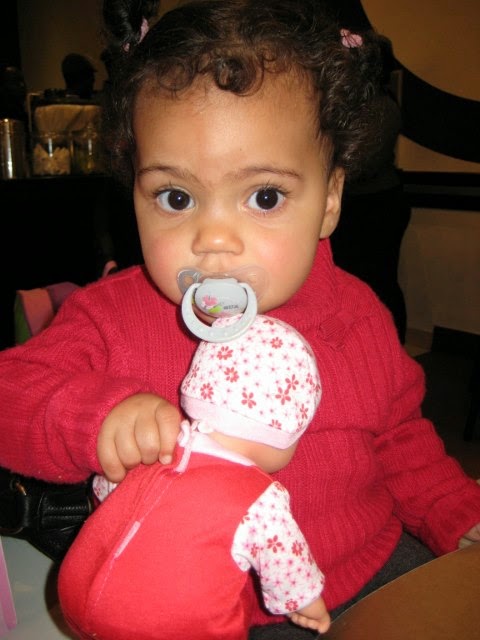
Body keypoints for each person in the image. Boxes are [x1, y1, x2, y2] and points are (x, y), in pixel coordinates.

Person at [0, 1, 479, 638]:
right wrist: (95, 417)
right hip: (193, 608)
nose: (214, 240)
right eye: (176, 197)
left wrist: (455, 512)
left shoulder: (357, 313)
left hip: (371, 569)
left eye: (264, 196)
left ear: (329, 200)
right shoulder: (110, 315)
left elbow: (401, 441)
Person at [58, 315, 330, 638]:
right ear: (284, 430)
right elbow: (286, 561)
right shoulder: (259, 497)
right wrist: (308, 604)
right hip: (173, 624)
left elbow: (105, 488)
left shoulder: (157, 442)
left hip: (80, 589)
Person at [330, 35, 411, 343]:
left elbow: (361, 164)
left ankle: (391, 346)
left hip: (377, 206)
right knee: (354, 282)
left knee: (379, 282)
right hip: (360, 204)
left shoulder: (380, 106)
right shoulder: (353, 104)